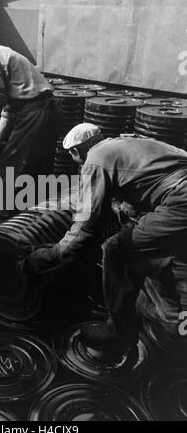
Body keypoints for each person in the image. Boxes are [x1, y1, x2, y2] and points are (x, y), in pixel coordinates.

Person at [22, 123, 187, 353]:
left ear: (77, 151)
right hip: (178, 194)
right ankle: (171, 320)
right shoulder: (126, 142)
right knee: (145, 249)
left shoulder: (95, 159)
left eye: (73, 155)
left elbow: (86, 229)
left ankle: (119, 332)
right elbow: (140, 190)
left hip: (181, 200)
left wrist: (48, 257)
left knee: (116, 250)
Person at [0, 21, 62, 180]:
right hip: (52, 111)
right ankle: (38, 204)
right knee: (38, 168)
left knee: (8, 170)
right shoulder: (6, 52)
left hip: (35, 113)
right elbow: (9, 111)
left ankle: (4, 204)